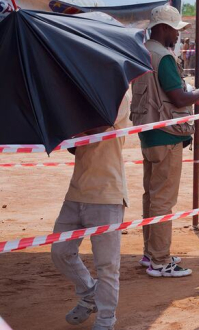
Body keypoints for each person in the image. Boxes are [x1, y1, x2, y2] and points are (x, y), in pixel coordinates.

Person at [131, 5, 199, 277]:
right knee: (163, 199)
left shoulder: (142, 50)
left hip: (148, 132)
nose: (177, 35)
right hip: (166, 134)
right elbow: (179, 98)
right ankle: (161, 260)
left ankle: (151, 254)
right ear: (162, 28)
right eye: (175, 29)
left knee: (151, 195)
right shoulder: (163, 57)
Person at [51, 95, 130, 330]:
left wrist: (69, 118)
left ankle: (106, 321)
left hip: (107, 194)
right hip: (77, 192)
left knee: (107, 266)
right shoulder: (85, 97)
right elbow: (76, 147)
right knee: (60, 251)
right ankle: (90, 293)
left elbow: (100, 126)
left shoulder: (118, 96)